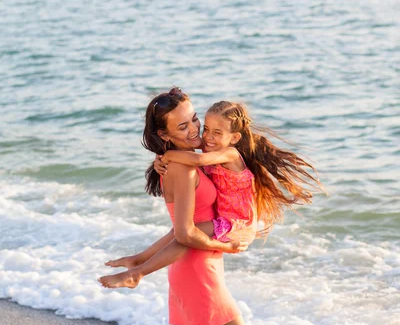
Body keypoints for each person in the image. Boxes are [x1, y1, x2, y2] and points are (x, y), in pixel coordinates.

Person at [99, 99, 319, 290]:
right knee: (178, 231)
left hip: (237, 223)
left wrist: (166, 155)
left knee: (186, 235)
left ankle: (137, 274)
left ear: (234, 138)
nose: (208, 137)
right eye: (207, 129)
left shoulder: (230, 153)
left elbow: (197, 161)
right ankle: (138, 259)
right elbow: (194, 158)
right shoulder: (213, 147)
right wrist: (161, 160)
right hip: (224, 217)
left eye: (217, 132)